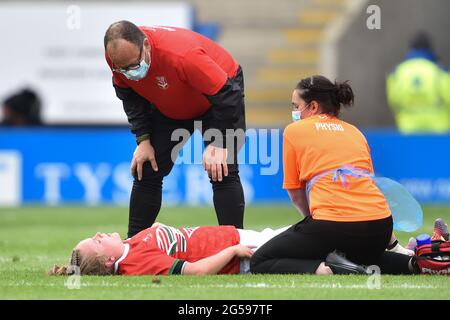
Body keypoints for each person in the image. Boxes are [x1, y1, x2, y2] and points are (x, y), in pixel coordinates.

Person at [250, 75, 417, 276]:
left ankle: (321, 268)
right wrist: (393, 243)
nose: (294, 112)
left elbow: (296, 194)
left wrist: (314, 227)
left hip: (332, 225)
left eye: (296, 106)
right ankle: (413, 263)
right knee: (361, 255)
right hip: (380, 225)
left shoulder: (294, 131)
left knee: (260, 260)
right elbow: (370, 188)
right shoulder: (355, 132)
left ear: (312, 107)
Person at [103, 21, 246, 238]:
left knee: (222, 170)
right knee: (146, 169)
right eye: (122, 68)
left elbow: (229, 96)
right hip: (172, 104)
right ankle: (133, 248)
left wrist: (219, 143)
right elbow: (129, 96)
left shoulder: (183, 55)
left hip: (219, 99)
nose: (130, 73)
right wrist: (143, 139)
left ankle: (236, 248)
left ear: (146, 46)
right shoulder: (117, 58)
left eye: (134, 65)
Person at [49, 223, 289, 276]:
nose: (98, 234)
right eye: (97, 242)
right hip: (242, 251)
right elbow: (195, 271)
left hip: (236, 237)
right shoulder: (138, 262)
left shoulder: (129, 245)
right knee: (312, 234)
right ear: (110, 261)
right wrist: (233, 251)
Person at [386, 31, 450, 133]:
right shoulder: (440, 71)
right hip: (439, 133)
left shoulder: (397, 73)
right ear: (429, 48)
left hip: (407, 130)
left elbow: (393, 101)